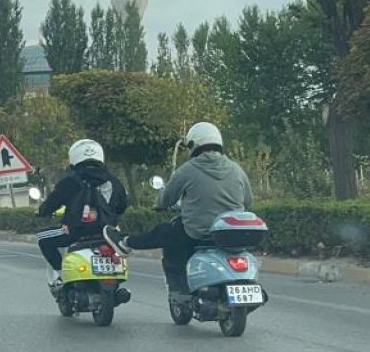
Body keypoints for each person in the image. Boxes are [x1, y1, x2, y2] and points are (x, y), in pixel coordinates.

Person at [103, 122, 252, 295]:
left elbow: (165, 199)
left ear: (193, 145)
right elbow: (248, 201)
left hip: (198, 232)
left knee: (164, 232)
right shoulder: (237, 169)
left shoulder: (188, 169)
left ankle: (125, 243)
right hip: (231, 233)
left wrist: (159, 204)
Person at [36, 139, 129, 289]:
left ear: (74, 157)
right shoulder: (115, 182)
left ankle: (61, 274)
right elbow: (122, 206)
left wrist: (43, 212)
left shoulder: (71, 181)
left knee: (41, 237)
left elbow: (53, 202)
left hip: (75, 231)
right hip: (107, 234)